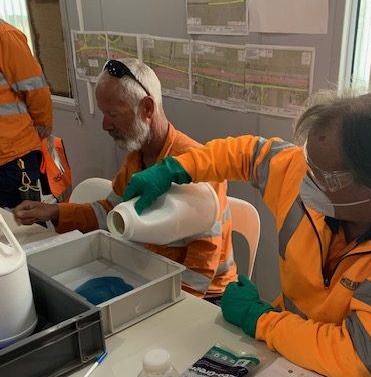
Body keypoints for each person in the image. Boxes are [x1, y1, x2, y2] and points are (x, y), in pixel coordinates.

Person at [120, 89, 371, 377]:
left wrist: (259, 319)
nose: (306, 180)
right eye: (308, 163)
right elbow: (246, 153)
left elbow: (358, 355)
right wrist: (176, 168)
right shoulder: (307, 172)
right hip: (286, 352)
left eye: (325, 177)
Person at [14, 58, 237, 300]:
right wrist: (54, 212)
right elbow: (109, 213)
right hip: (152, 275)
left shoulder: (198, 166)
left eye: (112, 114)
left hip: (205, 296)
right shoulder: (136, 156)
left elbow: (201, 265)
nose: (105, 125)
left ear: (147, 109)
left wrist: (170, 302)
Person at [0, 19, 52, 208]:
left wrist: (41, 132)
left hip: (13, 156)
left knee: (26, 221)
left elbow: (36, 91)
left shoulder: (5, 36)